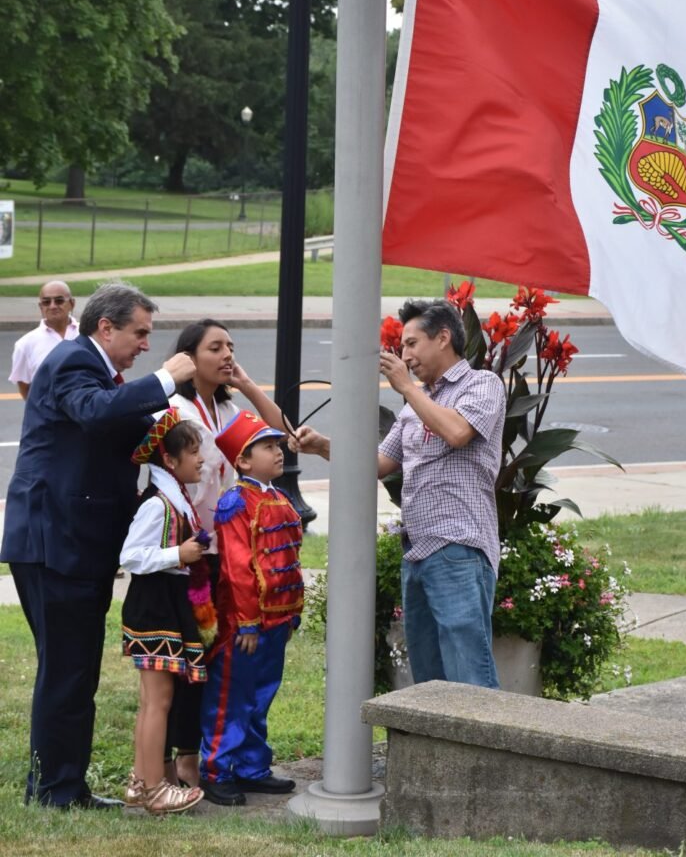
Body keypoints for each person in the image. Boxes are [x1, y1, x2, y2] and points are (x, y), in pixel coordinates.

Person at [0, 282, 196, 809]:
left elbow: (123, 423)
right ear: (104, 328)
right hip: (54, 543)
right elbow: (96, 412)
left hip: (75, 544)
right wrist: (166, 379)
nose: (145, 345)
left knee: (76, 669)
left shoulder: (101, 376)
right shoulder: (72, 362)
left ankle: (64, 786)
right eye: (139, 333)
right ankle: (53, 792)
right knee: (67, 670)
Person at [292, 298, 505, 689]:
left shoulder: (481, 384)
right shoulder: (413, 407)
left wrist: (407, 388)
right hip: (418, 553)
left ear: (443, 338)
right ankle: (436, 749)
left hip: (459, 545)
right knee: (429, 680)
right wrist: (322, 445)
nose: (404, 354)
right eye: (402, 346)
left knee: (469, 672)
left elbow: (457, 433)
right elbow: (376, 465)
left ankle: (484, 752)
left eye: (411, 343)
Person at [165, 318, 288, 788]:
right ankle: (185, 760)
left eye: (231, 346)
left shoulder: (227, 407)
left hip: (230, 548)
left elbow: (280, 433)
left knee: (225, 661)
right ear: (190, 355)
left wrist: (247, 384)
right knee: (190, 660)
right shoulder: (174, 406)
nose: (227, 354)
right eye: (215, 347)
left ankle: (223, 760)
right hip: (191, 550)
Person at [199, 411, 303, 806]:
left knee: (262, 694)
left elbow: (287, 557)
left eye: (277, 445)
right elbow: (238, 568)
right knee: (231, 696)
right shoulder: (235, 502)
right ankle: (216, 769)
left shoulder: (278, 496)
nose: (278, 452)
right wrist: (245, 622)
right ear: (242, 461)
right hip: (243, 624)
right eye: (267, 446)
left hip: (277, 619)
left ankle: (251, 767)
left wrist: (291, 611)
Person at [120, 408, 208, 816]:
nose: (201, 459)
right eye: (193, 452)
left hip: (163, 604)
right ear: (169, 461)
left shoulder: (174, 500)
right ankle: (156, 787)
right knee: (159, 700)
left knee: (151, 700)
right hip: (154, 605)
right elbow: (131, 556)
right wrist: (180, 553)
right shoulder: (158, 505)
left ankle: (141, 781)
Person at [9, 279, 79, 399]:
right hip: (49, 416)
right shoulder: (25, 344)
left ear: (72, 304)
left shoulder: (88, 334)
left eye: (59, 300)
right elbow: (25, 387)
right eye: (46, 302)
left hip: (87, 414)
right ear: (41, 307)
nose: (52, 306)